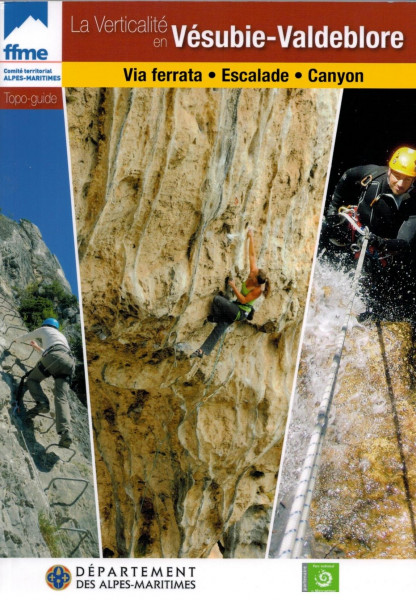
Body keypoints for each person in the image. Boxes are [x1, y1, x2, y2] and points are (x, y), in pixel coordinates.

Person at [323, 146, 416, 320]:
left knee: (373, 304)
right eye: (397, 175)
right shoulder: (373, 174)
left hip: (381, 249)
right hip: (356, 227)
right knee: (327, 227)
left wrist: (380, 243)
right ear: (389, 170)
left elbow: (404, 243)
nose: (401, 183)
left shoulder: (413, 203)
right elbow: (347, 175)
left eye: (408, 179)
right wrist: (332, 211)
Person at [191, 229, 270, 357]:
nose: (251, 273)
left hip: (240, 312)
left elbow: (244, 301)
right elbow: (252, 256)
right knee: (220, 328)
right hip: (235, 307)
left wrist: (233, 286)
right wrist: (251, 237)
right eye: (253, 272)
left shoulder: (257, 291)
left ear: (256, 282)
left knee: (217, 300)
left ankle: (216, 318)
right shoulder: (254, 271)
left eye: (253, 275)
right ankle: (202, 351)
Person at [15, 317, 75, 448]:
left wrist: (16, 340)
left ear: (45, 324)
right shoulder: (61, 337)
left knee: (32, 379)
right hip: (69, 363)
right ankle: (66, 433)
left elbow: (29, 336)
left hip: (53, 357)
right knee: (61, 397)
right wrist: (37, 347)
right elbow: (54, 353)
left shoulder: (44, 329)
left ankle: (42, 402)